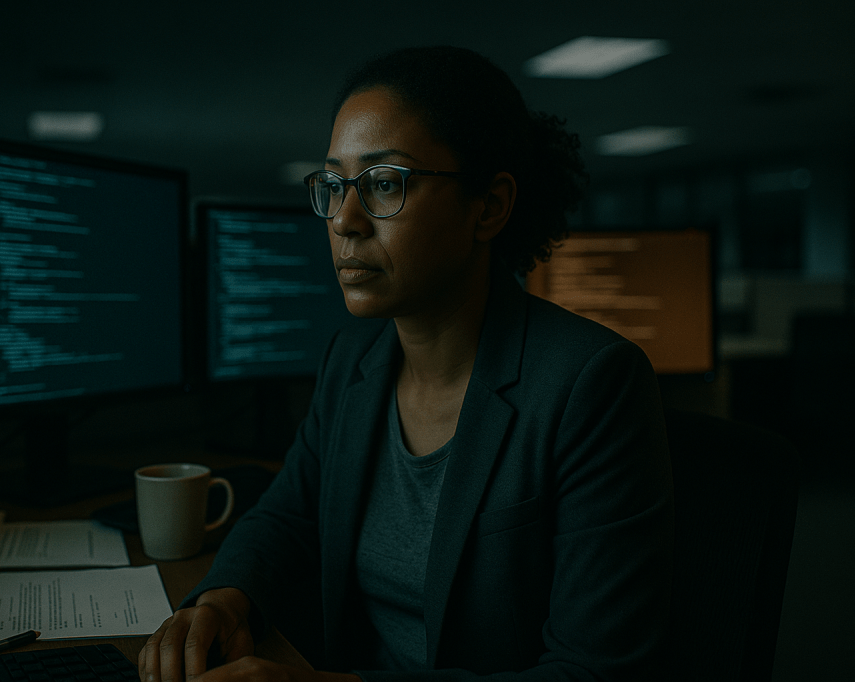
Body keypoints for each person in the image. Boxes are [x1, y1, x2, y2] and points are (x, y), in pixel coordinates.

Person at [139, 45, 674, 682]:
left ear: (489, 206)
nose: (345, 219)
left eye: (385, 183)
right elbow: (287, 515)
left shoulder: (590, 383)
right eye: (335, 184)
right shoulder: (352, 361)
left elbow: (593, 673)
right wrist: (224, 599)